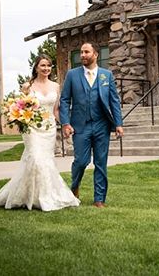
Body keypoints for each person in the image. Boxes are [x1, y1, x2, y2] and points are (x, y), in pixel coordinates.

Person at [0, 55, 80, 211]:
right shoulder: (28, 86)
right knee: (34, 158)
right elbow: (20, 107)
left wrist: (66, 124)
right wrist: (19, 120)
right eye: (42, 65)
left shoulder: (56, 86)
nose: (46, 68)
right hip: (32, 127)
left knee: (45, 161)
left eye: (48, 66)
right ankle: (29, 196)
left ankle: (42, 196)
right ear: (36, 67)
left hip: (49, 128)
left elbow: (56, 110)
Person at [59, 42, 124, 208]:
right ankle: (75, 185)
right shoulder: (72, 75)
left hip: (102, 125)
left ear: (96, 54)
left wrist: (118, 123)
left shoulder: (106, 75)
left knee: (101, 163)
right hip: (80, 125)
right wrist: (65, 122)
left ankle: (99, 199)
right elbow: (65, 100)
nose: (82, 55)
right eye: (81, 52)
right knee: (81, 161)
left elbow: (114, 101)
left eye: (86, 52)